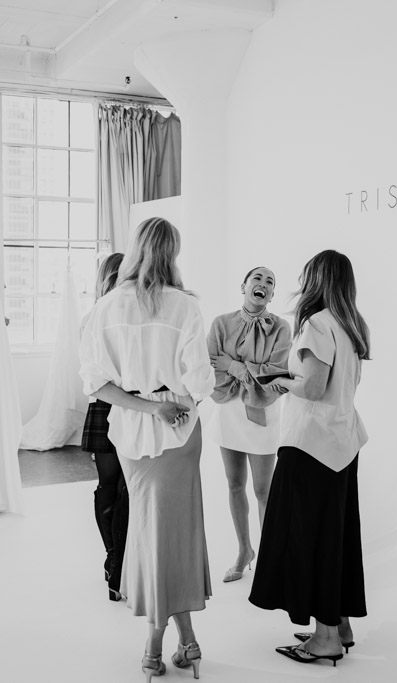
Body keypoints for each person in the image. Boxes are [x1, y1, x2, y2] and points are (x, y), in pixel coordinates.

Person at [79, 217, 215, 682]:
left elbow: (96, 384)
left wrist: (144, 405)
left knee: (151, 534)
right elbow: (201, 383)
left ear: (135, 251)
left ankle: (157, 648)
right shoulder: (186, 306)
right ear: (172, 252)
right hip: (179, 430)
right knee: (173, 534)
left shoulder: (106, 307)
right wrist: (173, 403)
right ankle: (180, 643)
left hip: (134, 434)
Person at [248, 249, 370, 667]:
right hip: (343, 444)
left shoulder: (318, 324)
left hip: (312, 446)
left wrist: (281, 381)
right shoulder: (352, 325)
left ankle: (324, 640)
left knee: (310, 539)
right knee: (337, 537)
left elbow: (314, 387)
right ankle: (340, 625)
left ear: (317, 279)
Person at [204, 266, 291, 583]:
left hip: (263, 414)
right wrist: (234, 369)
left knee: (264, 490)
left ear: (271, 294)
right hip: (229, 411)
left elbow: (277, 372)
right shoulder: (220, 323)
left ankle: (270, 557)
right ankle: (244, 550)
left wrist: (236, 366)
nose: (264, 284)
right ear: (244, 285)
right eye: (258, 278)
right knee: (234, 484)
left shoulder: (282, 328)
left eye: (270, 282)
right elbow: (208, 364)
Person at [79, 252, 128, 601]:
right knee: (122, 487)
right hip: (123, 403)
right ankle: (119, 559)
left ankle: (115, 559)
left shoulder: (92, 316)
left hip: (105, 403)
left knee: (110, 486)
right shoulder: (119, 314)